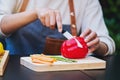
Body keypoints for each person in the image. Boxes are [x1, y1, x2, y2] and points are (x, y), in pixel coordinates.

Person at [0, 0, 115, 56]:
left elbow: (107, 43)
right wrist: (35, 14)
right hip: (16, 74)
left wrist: (97, 45)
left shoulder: (86, 1)